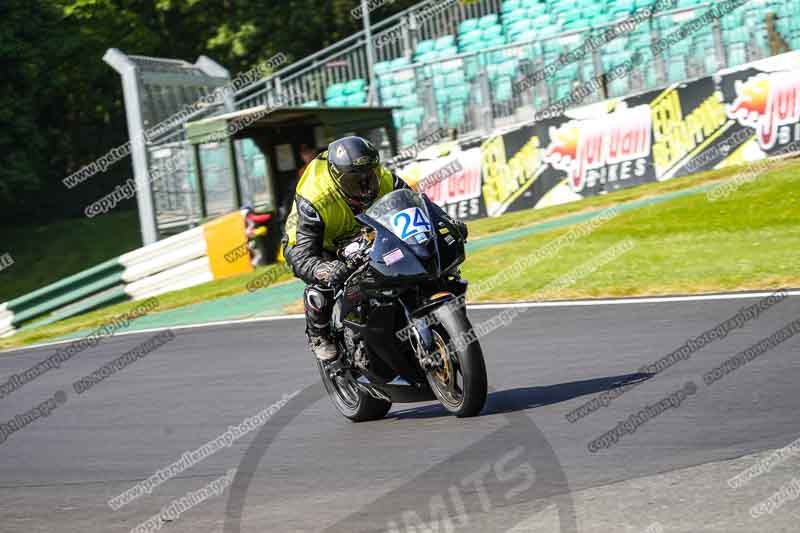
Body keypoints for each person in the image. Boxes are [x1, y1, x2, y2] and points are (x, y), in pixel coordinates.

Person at [282, 136, 466, 361]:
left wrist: (446, 223)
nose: (366, 186)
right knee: (323, 285)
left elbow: (420, 206)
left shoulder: (386, 179)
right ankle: (319, 334)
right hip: (319, 245)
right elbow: (301, 254)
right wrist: (321, 268)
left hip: (368, 232)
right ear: (338, 180)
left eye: (370, 175)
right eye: (355, 181)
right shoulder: (315, 199)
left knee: (425, 256)